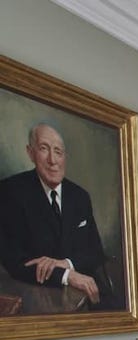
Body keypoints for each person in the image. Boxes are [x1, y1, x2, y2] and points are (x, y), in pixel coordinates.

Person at [0, 123, 114, 307]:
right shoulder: (10, 192)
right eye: (44, 149)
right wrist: (66, 276)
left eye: (58, 152)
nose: (53, 160)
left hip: (88, 291)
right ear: (30, 153)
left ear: (65, 157)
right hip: (38, 295)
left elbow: (95, 252)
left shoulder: (80, 196)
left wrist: (66, 263)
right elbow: (14, 262)